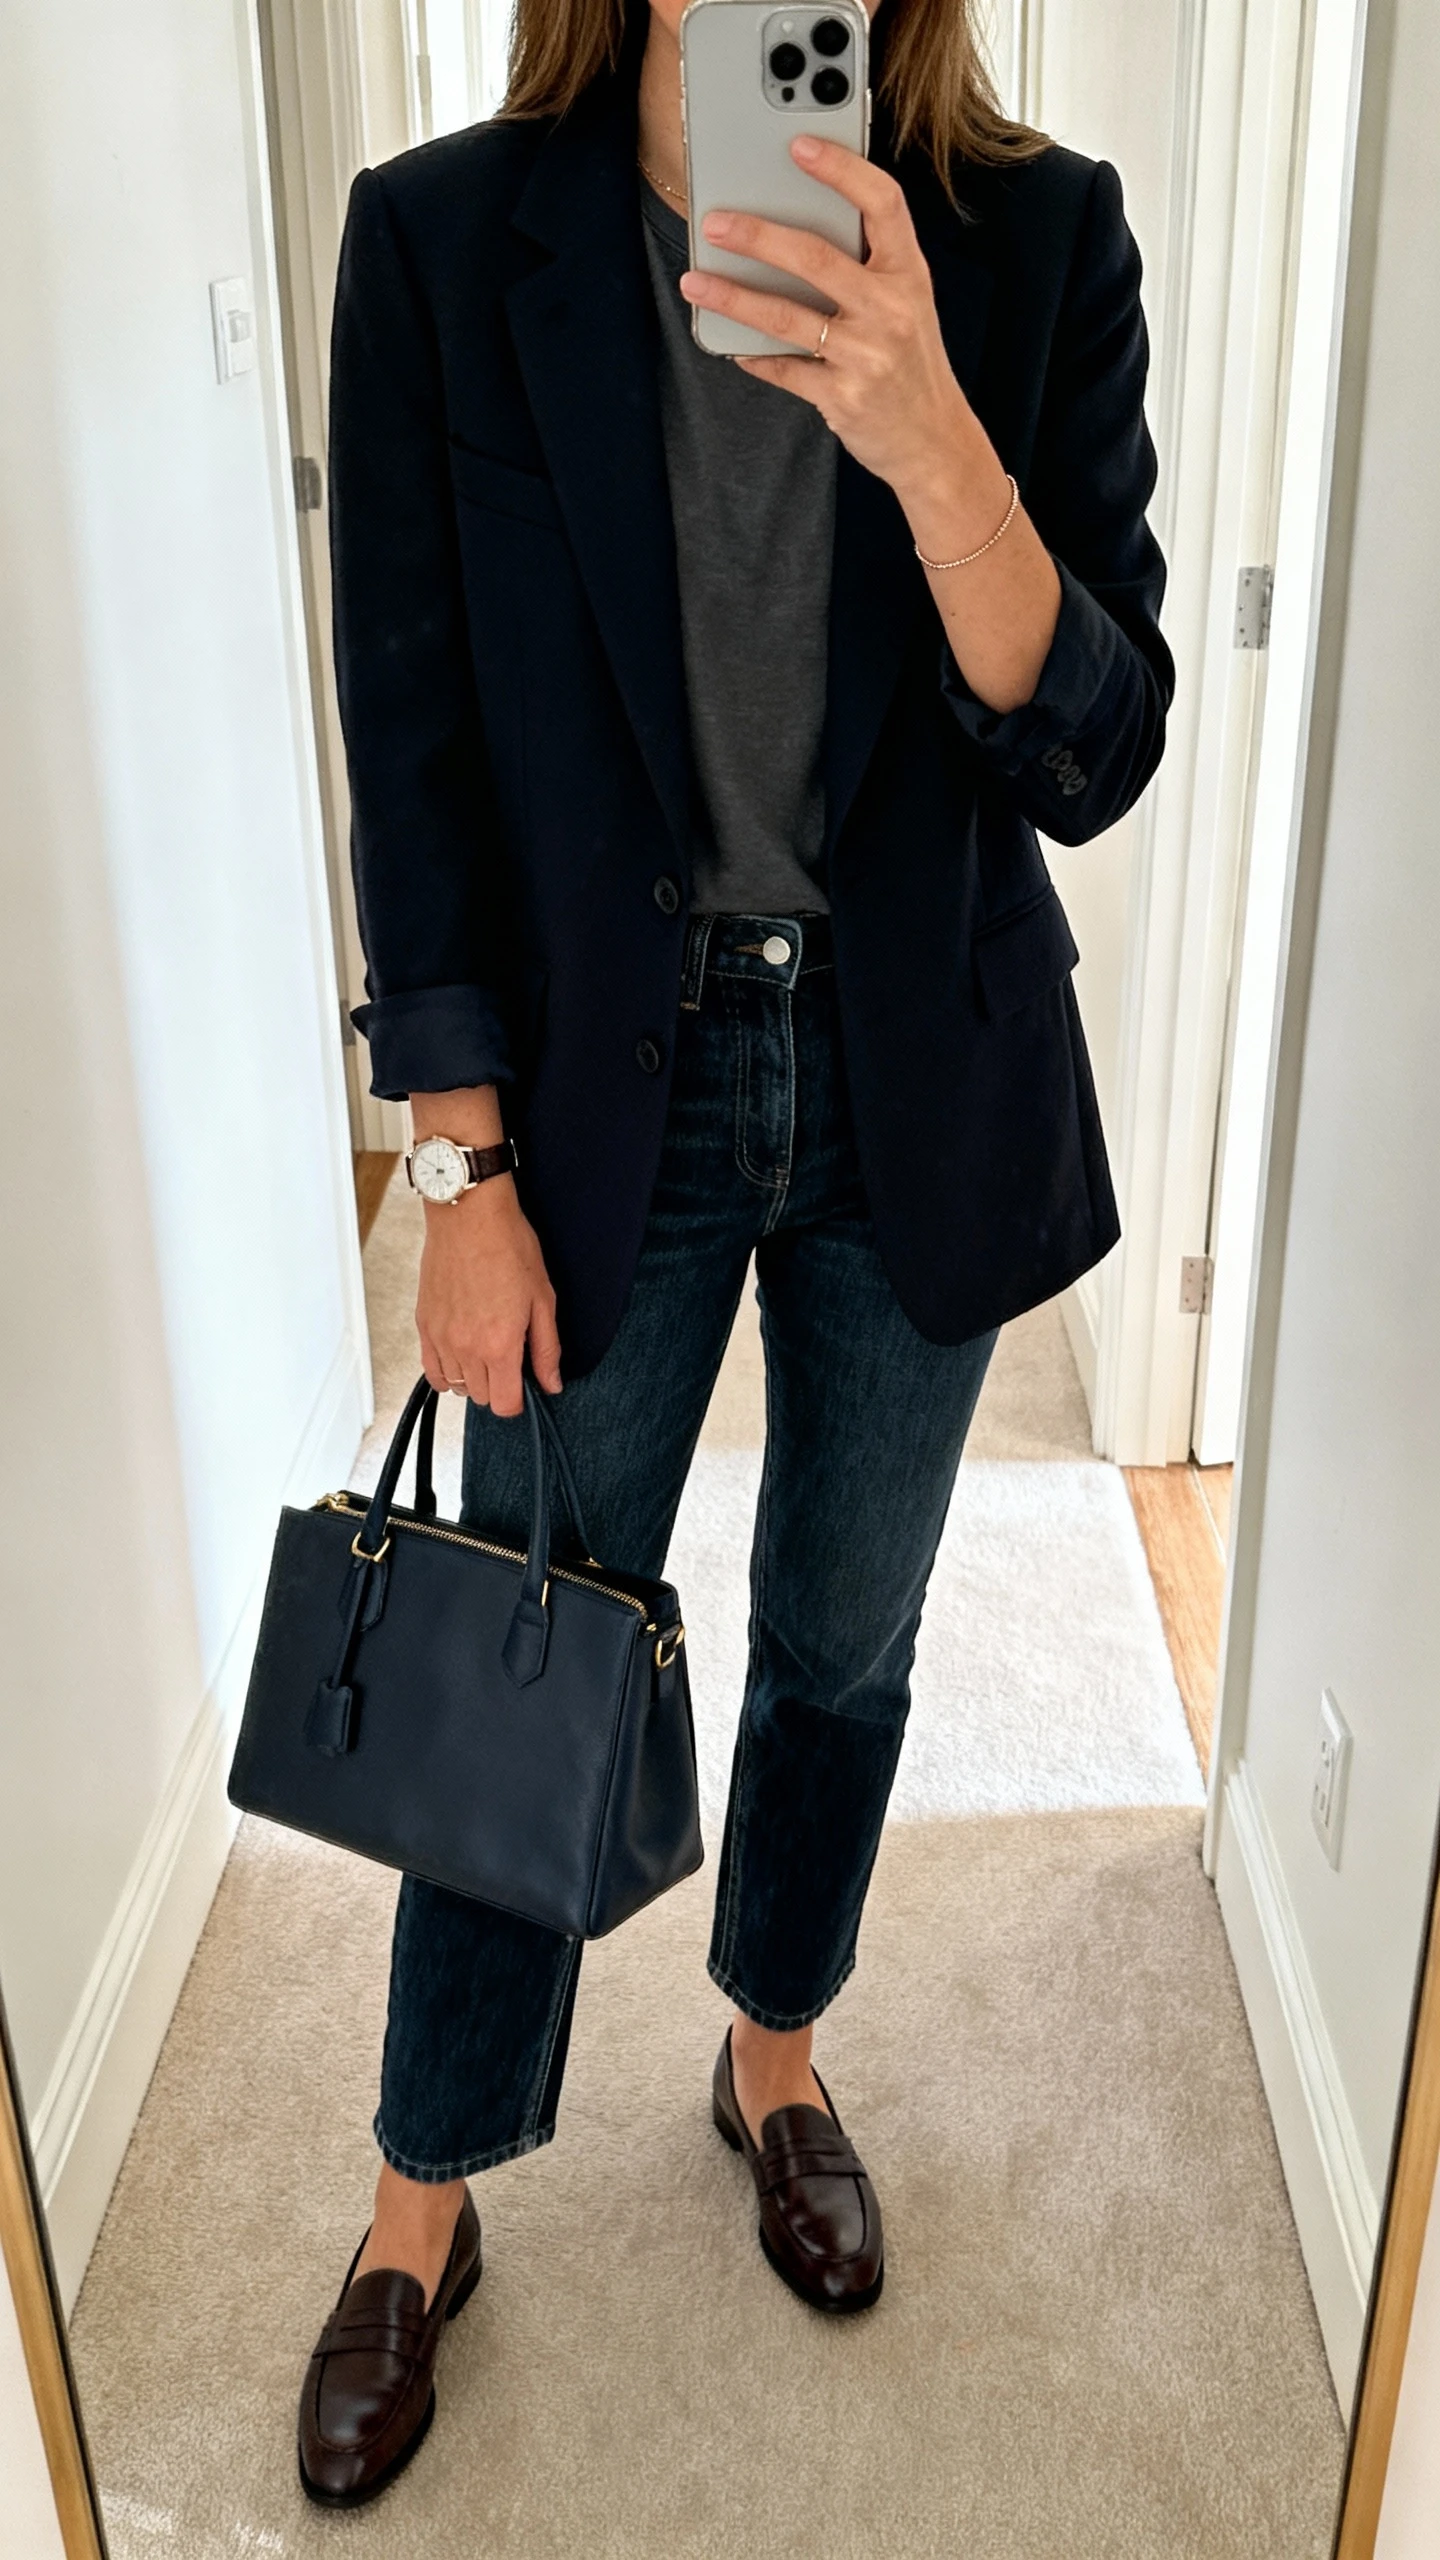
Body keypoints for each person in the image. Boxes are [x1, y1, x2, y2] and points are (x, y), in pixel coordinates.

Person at [298, 0, 1173, 2507]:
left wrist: (926, 428)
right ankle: (417, 2198)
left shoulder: (1038, 243)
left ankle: (772, 2046)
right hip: (595, 1101)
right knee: (515, 1637)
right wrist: (457, 1172)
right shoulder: (448, 240)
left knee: (850, 1637)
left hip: (923, 1078)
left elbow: (1091, 748)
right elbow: (418, 731)